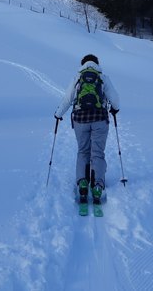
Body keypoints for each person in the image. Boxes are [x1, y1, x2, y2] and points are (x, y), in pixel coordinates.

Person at [54, 54, 120, 203]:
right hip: (99, 120)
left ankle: (82, 182)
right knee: (98, 152)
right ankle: (98, 185)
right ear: (97, 64)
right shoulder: (103, 77)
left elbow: (67, 99)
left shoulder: (77, 77)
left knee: (83, 150)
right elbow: (115, 100)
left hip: (80, 119)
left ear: (82, 64)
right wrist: (115, 109)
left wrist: (58, 114)